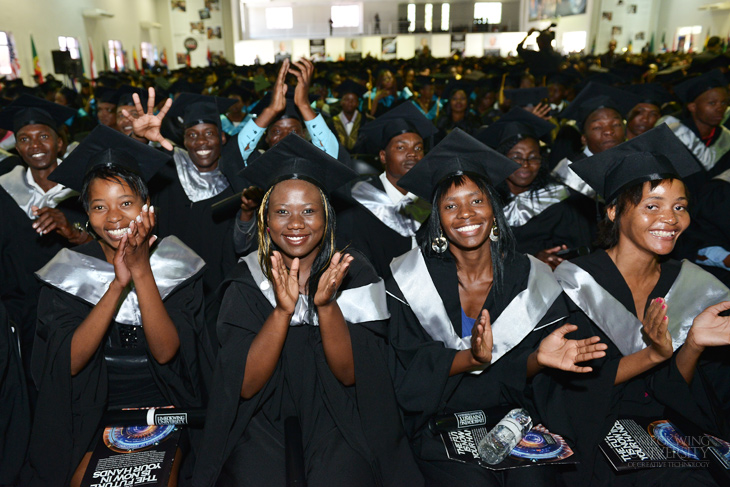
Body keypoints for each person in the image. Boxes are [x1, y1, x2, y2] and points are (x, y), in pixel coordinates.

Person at [193, 134, 423, 487]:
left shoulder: (354, 272)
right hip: (260, 416)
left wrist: (326, 306)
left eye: (309, 211)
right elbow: (245, 385)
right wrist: (282, 313)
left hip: (339, 414)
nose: (296, 223)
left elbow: (350, 375)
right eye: (282, 212)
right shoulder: (246, 281)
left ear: (327, 217)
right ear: (266, 222)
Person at [387, 129, 607, 486]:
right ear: (437, 219)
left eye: (476, 201)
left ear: (493, 208)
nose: (465, 214)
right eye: (450, 205)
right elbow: (404, 372)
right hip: (440, 422)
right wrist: (470, 359)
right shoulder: (409, 278)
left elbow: (530, 382)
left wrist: (539, 361)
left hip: (513, 419)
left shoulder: (529, 276)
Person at [28, 125, 213, 487]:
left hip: (166, 410)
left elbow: (165, 353)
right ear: (86, 212)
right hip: (88, 413)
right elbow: (68, 362)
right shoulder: (67, 271)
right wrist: (116, 285)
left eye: (126, 203)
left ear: (147, 208)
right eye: (99, 206)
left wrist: (141, 272)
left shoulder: (179, 264)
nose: (114, 218)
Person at [553, 125, 730, 486]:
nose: (671, 218)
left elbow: (682, 392)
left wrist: (693, 345)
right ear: (614, 211)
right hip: (595, 428)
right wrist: (652, 355)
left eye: (680, 206)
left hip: (671, 424)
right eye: (653, 206)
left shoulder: (695, 285)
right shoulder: (574, 283)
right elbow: (568, 393)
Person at [0, 95, 90, 396]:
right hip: (23, 313)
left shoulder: (86, 186)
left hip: (80, 306)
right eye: (24, 139)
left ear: (60, 143)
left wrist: (73, 228)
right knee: (35, 388)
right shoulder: (4, 189)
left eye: (43, 136)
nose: (34, 146)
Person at [477, 108, 591, 269]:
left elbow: (579, 252)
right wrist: (530, 261)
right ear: (501, 159)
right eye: (516, 157)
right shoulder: (484, 202)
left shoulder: (560, 201)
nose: (525, 164)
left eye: (533, 157)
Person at [337, 102, 437, 278]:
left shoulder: (434, 199)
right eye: (401, 147)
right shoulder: (359, 198)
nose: (412, 153)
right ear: (383, 156)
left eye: (418, 148)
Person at [660, 70, 730, 184]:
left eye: (723, 103)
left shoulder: (726, 139)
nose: (720, 108)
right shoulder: (672, 136)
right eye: (712, 103)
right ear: (692, 107)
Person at [330, 79, 368, 151]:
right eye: (347, 99)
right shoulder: (331, 123)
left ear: (357, 103)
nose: (350, 103)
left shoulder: (366, 122)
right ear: (341, 102)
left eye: (353, 100)